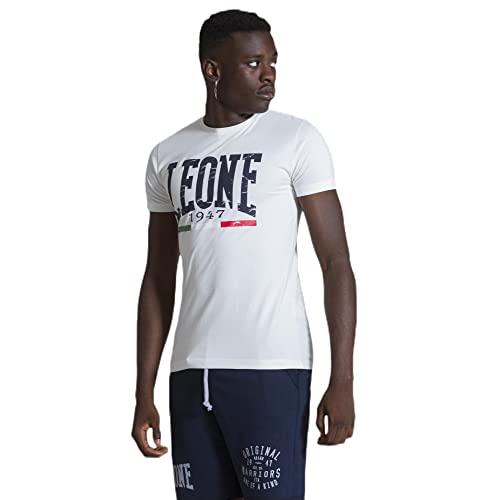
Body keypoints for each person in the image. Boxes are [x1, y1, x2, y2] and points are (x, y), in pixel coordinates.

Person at [132, 9, 356, 499]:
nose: (269, 74)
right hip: (190, 373)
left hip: (272, 367)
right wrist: (143, 389)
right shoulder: (167, 155)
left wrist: (342, 378)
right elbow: (157, 279)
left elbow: (336, 263)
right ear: (213, 69)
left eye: (273, 62)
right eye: (254, 63)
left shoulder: (296, 139)